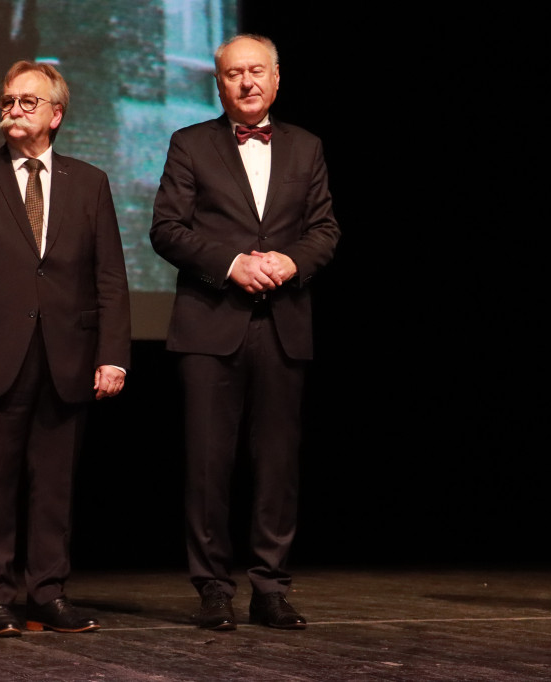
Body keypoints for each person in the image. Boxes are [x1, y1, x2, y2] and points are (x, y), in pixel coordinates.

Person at [0, 60, 131, 637]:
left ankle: (48, 592)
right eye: (7, 101)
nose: (13, 110)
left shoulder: (89, 182)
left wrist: (112, 354)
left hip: (67, 354)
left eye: (27, 102)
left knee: (55, 486)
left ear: (55, 114)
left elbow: (109, 276)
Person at [150, 34, 340, 631]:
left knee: (277, 465)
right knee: (208, 465)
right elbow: (167, 229)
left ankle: (270, 587)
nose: (247, 82)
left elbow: (325, 229)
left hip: (284, 327)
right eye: (234, 73)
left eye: (257, 71)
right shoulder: (190, 144)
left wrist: (292, 262)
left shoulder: (307, 147)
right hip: (211, 325)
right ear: (219, 83)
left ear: (277, 78)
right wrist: (232, 263)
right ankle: (212, 587)